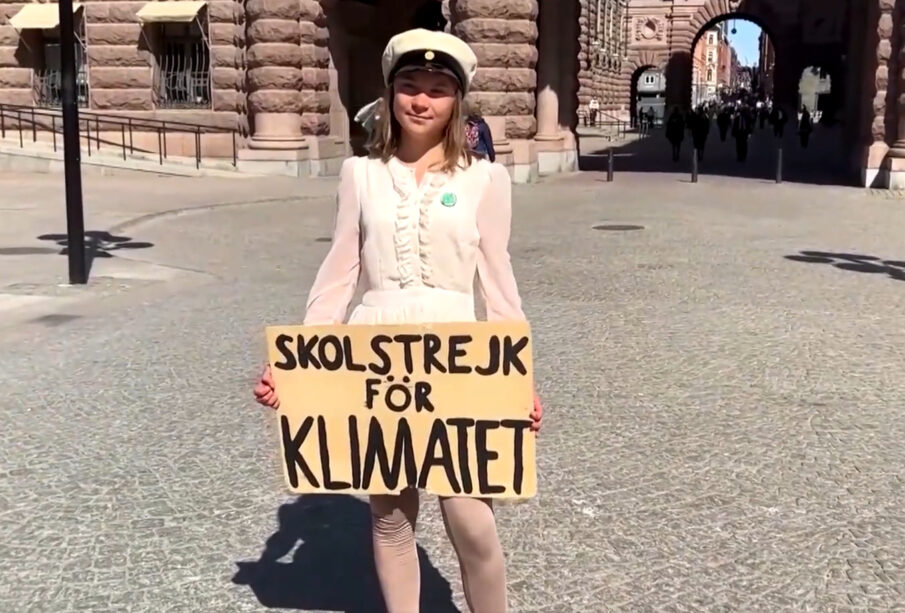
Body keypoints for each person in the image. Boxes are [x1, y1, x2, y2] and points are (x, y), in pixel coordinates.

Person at [253, 28, 543, 613]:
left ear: (456, 101)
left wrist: (520, 379)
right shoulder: (360, 174)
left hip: (458, 356)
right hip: (376, 352)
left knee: (471, 519)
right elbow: (339, 273)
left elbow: (498, 279)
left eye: (437, 90)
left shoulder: (485, 179)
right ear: (390, 94)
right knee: (390, 518)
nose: (421, 100)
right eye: (410, 86)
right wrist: (299, 362)